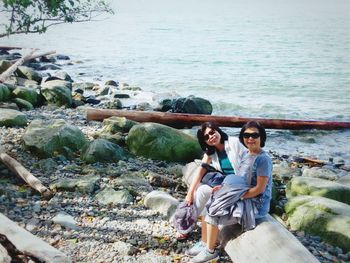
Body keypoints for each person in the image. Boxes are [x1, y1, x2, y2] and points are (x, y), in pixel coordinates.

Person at [187, 121, 273, 263]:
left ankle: (210, 251)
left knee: (214, 213)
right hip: (242, 196)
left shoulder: (263, 159)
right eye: (246, 135)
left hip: (255, 204)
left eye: (254, 135)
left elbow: (259, 189)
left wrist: (235, 197)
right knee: (211, 201)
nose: (250, 138)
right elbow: (239, 180)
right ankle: (205, 243)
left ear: (261, 137)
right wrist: (223, 190)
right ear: (243, 137)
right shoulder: (247, 155)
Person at [175, 122, 246, 241]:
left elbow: (249, 167)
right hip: (226, 186)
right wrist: (190, 193)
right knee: (201, 190)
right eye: (206, 137)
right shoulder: (211, 152)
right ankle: (187, 224)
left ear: (218, 130)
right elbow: (200, 170)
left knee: (207, 196)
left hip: (240, 188)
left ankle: (206, 237)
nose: (211, 137)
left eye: (212, 132)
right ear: (205, 142)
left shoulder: (234, 143)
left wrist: (226, 188)